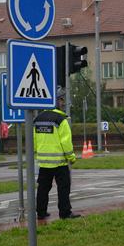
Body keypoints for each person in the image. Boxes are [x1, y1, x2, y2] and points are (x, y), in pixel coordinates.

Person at [34, 87, 80, 220]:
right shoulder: (61, 120)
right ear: (55, 101)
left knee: (43, 188)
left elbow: (34, 141)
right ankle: (65, 213)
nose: (62, 103)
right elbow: (66, 142)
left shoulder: (37, 119)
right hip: (60, 162)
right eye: (61, 100)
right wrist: (71, 157)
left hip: (44, 162)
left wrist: (39, 152)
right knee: (63, 188)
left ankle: (41, 213)